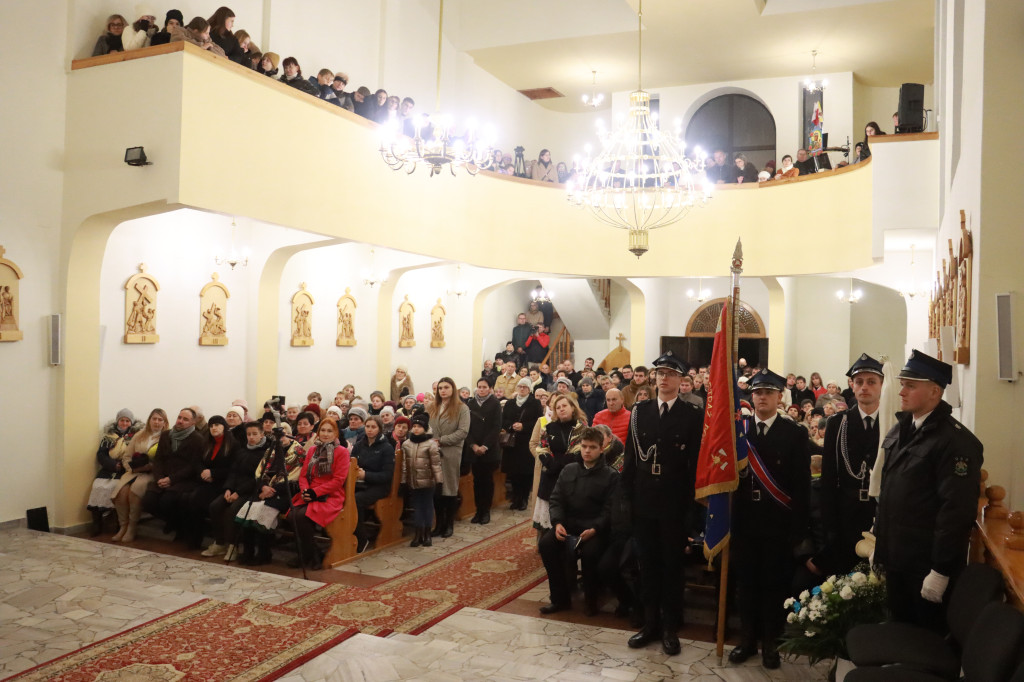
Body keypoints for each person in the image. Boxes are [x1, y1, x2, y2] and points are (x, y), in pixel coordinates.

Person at [873, 350, 982, 633]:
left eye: (910, 385)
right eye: (902, 384)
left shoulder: (956, 442)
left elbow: (955, 512)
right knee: (899, 635)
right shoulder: (902, 429)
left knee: (925, 641)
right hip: (897, 558)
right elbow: (891, 492)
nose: (901, 391)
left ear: (935, 391)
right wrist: (880, 543)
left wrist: (940, 571)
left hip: (924, 566)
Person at [622, 351, 704, 656]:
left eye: (671, 373)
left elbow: (695, 468)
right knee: (647, 566)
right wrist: (627, 501)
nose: (664, 378)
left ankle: (670, 627)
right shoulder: (639, 411)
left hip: (674, 500)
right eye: (660, 373)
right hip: (644, 499)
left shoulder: (692, 415)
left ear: (682, 380)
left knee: (672, 568)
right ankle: (649, 623)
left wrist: (690, 515)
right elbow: (631, 461)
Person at [729, 369, 810, 670]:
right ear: (752, 396)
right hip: (745, 522)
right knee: (746, 585)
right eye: (757, 392)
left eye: (768, 392)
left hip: (778, 524)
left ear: (779, 396)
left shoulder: (794, 434)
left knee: (774, 587)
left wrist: (797, 531)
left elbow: (801, 487)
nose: (762, 397)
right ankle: (747, 640)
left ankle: (771, 644)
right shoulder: (740, 432)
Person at [538, 426, 618, 616]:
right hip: (569, 524)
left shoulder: (611, 475)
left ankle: (591, 601)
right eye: (584, 446)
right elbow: (556, 499)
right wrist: (557, 523)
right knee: (546, 545)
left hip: (595, 529)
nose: (587, 451)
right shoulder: (569, 470)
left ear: (601, 449)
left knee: (591, 554)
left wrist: (595, 529)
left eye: (592, 447)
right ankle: (560, 599)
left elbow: (610, 510)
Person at [819, 354, 884, 575]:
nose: (865, 387)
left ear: (882, 385)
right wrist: (829, 525)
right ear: (852, 386)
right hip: (846, 515)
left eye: (871, 381)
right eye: (859, 382)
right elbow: (828, 477)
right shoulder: (838, 424)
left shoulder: (895, 423)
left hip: (880, 514)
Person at [203, 421, 272, 560]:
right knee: (215, 506)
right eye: (248, 434)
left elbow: (258, 477)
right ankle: (219, 543)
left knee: (232, 510)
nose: (251, 437)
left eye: (254, 434)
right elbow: (233, 471)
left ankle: (232, 546)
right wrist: (228, 488)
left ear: (262, 434)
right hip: (234, 488)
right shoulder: (242, 450)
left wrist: (238, 492)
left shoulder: (267, 453)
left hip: (251, 491)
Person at [289, 417, 350, 569]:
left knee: (302, 516)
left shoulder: (341, 452)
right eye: (323, 430)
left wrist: (315, 492)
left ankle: (310, 555)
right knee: (292, 515)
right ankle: (310, 552)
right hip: (310, 492)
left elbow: (338, 480)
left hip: (330, 495)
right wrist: (305, 491)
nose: (325, 434)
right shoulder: (312, 450)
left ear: (336, 433)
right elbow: (303, 475)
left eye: (330, 431)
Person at [142, 408, 206, 540]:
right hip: (163, 477)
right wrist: (159, 477)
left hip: (183, 480)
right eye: (179, 417)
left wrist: (171, 479)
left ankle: (178, 525)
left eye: (185, 419)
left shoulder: (197, 439)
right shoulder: (166, 435)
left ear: (193, 423)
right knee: (148, 501)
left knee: (168, 501)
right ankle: (172, 521)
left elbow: (193, 466)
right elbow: (158, 459)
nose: (180, 421)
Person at [110, 409, 168, 542]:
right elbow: (127, 456)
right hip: (133, 472)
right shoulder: (140, 435)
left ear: (164, 422)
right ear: (149, 420)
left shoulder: (166, 437)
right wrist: (131, 467)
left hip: (152, 473)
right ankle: (123, 526)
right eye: (154, 419)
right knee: (121, 492)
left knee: (134, 492)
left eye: (160, 420)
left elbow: (166, 461)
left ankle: (132, 527)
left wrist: (150, 467)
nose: (157, 422)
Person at [533, 395, 588, 533]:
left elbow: (578, 451)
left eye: (564, 406)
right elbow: (542, 448)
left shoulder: (581, 428)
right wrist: (551, 465)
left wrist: (557, 465)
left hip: (572, 475)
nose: (561, 409)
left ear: (573, 408)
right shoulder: (549, 427)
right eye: (558, 407)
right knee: (549, 518)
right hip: (551, 476)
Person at [181, 415, 236, 549]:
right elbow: (197, 462)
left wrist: (213, 473)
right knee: (185, 498)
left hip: (222, 483)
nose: (213, 428)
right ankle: (190, 537)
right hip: (205, 481)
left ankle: (197, 539)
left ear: (224, 426)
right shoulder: (206, 442)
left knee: (196, 500)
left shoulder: (233, 444)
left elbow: (233, 468)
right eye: (211, 426)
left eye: (217, 425)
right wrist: (203, 472)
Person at [87, 409, 143, 535]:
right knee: (97, 486)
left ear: (131, 423)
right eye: (122, 420)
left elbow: (136, 455)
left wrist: (123, 465)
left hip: (124, 471)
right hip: (108, 469)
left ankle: (117, 523)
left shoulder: (136, 436)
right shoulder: (108, 436)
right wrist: (113, 465)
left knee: (114, 489)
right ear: (118, 421)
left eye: (127, 421)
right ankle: (97, 523)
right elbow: (101, 454)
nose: (124, 423)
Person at [428, 377, 470, 538]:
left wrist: (442, 441)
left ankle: (449, 524)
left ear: (453, 389)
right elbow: (426, 426)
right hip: (433, 451)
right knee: (437, 491)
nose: (443, 390)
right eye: (440, 388)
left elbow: (463, 431)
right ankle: (438, 524)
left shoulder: (461, 408)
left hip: (451, 451)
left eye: (446, 387)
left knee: (449, 489)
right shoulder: (432, 406)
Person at [350, 415, 395, 553]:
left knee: (355, 500)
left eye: (373, 427)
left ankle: (362, 539)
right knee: (341, 496)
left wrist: (366, 475)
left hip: (379, 486)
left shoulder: (386, 448)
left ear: (379, 429)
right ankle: (345, 534)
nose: (369, 430)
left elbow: (387, 475)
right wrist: (356, 471)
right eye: (367, 426)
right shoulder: (358, 445)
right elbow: (351, 465)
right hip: (359, 484)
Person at [501, 378, 543, 511]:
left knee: (525, 472)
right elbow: (504, 420)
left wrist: (524, 426)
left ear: (529, 389)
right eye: (520, 386)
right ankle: (516, 497)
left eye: (525, 387)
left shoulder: (535, 403)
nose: (522, 389)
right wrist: (511, 425)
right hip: (512, 443)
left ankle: (524, 498)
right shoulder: (510, 403)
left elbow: (538, 422)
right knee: (513, 473)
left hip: (526, 442)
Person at [402, 412, 442, 547]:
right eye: (414, 426)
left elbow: (436, 464)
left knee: (428, 506)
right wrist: (403, 482)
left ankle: (427, 533)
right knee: (417, 507)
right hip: (413, 481)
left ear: (425, 428)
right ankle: (417, 533)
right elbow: (404, 465)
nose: (416, 429)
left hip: (428, 481)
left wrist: (439, 481)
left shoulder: (431, 444)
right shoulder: (406, 444)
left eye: (419, 426)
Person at [466, 378, 503, 524]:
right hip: (474, 449)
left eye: (484, 387)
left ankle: (486, 511)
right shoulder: (471, 403)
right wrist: (473, 445)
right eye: (479, 387)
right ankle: (478, 511)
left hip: (489, 449)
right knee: (476, 481)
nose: (481, 389)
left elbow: (496, 427)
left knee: (487, 481)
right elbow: (466, 427)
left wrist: (485, 446)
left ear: (490, 388)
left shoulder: (494, 403)